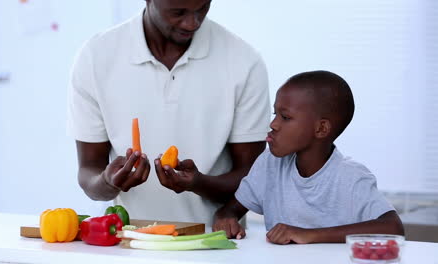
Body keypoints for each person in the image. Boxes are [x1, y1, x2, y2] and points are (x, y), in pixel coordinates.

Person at [67, 0, 270, 225]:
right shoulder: (96, 57)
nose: (192, 23)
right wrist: (108, 181)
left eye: (203, 7)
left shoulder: (244, 61)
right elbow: (88, 172)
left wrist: (197, 183)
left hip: (216, 245)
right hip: (129, 243)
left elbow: (253, 179)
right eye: (178, 12)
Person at [212, 70, 404, 244]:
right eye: (275, 114)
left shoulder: (351, 177)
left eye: (285, 117)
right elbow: (232, 209)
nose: (273, 124)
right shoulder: (270, 163)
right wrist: (226, 218)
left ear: (321, 129)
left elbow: (393, 228)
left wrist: (308, 234)